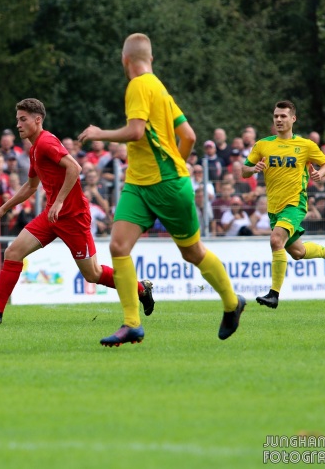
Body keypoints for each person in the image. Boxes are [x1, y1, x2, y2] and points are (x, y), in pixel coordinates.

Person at [78, 33, 245, 346]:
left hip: (167, 186)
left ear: (124, 60)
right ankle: (131, 324)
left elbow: (136, 131)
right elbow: (190, 136)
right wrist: (175, 163)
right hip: (139, 185)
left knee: (192, 253)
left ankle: (232, 303)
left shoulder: (138, 85)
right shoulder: (161, 90)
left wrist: (101, 133)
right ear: (150, 58)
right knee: (118, 247)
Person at [0, 98, 154, 326]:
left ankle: (141, 289)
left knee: (92, 274)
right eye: (17, 120)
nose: (18, 125)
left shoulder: (46, 142)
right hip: (51, 216)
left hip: (73, 218)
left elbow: (75, 167)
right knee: (12, 252)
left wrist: (59, 201)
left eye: (23, 120)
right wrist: (4, 208)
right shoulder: (35, 149)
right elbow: (31, 186)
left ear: (38, 119)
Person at [242, 100, 325, 309]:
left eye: (283, 116)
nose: (279, 119)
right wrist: (253, 169)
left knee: (275, 240)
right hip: (274, 209)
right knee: (297, 252)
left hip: (295, 204)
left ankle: (274, 294)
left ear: (293, 119)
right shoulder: (263, 145)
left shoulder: (305, 145)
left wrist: (319, 174)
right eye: (276, 116)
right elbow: (244, 170)